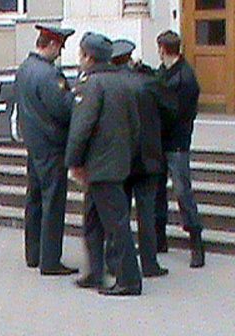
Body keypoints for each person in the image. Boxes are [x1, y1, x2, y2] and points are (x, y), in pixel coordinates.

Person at [66, 32, 142, 296]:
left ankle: (129, 279)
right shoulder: (122, 81)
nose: (80, 59)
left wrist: (73, 162)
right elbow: (135, 127)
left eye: (81, 54)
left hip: (99, 168)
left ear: (88, 57)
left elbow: (81, 129)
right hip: (115, 165)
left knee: (115, 226)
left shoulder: (92, 85)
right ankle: (95, 273)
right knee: (93, 222)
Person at [14, 25, 79, 276]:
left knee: (34, 199)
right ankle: (50, 260)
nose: (60, 53)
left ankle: (33, 254)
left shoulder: (24, 69)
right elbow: (63, 109)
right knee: (53, 202)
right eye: (59, 48)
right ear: (51, 45)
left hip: (34, 144)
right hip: (52, 146)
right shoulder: (50, 75)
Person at [107, 39, 169, 278]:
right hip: (149, 158)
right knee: (147, 212)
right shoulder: (149, 83)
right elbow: (169, 110)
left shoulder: (112, 85)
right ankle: (150, 263)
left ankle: (116, 261)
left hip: (122, 158)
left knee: (118, 214)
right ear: (131, 58)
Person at [153, 30, 205, 268]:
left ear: (163, 49)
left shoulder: (184, 78)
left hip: (176, 143)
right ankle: (159, 238)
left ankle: (196, 243)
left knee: (183, 191)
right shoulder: (167, 71)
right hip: (163, 141)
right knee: (157, 190)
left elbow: (175, 112)